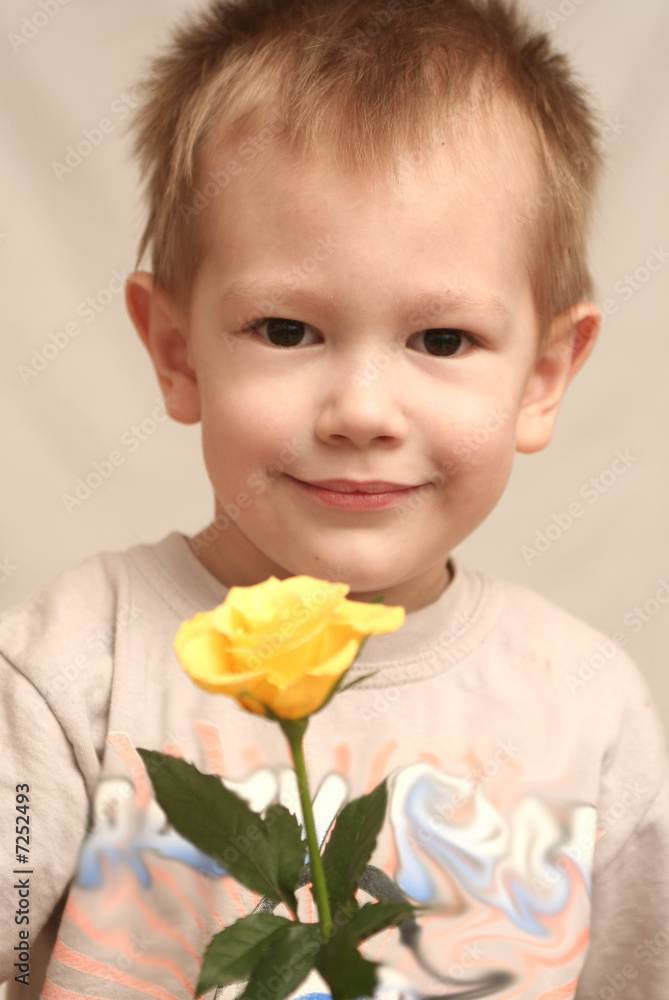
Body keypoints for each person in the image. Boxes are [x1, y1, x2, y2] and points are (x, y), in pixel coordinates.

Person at [1, 0, 667, 997]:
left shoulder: (591, 712)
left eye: (441, 341)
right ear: (178, 355)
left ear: (543, 376)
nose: (362, 410)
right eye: (286, 329)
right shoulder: (72, 667)